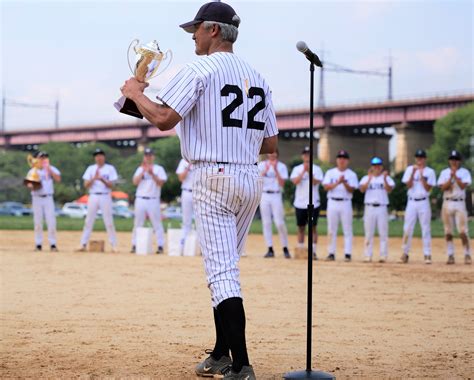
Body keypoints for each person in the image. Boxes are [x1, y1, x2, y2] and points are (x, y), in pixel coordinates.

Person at [120, 2, 278, 379]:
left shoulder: (199, 69)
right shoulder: (258, 75)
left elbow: (161, 119)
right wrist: (234, 144)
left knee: (221, 272)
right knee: (226, 267)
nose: (192, 35)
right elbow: (271, 145)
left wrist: (134, 91)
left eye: (196, 29)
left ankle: (240, 364)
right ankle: (222, 353)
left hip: (213, 176)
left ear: (213, 31)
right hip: (249, 177)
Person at [77, 148, 119, 253]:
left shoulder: (110, 168)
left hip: (105, 195)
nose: (99, 157)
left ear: (104, 157)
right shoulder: (91, 169)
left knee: (108, 221)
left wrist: (102, 179)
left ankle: (114, 245)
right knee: (88, 221)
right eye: (97, 156)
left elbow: (112, 185)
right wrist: (94, 178)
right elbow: (86, 185)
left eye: (100, 155)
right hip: (93, 195)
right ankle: (83, 244)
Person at [399, 149, 436, 264]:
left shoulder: (430, 172)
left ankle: (427, 254)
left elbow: (428, 188)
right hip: (411, 201)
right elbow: (409, 185)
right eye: (417, 157)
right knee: (408, 228)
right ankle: (405, 253)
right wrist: (413, 173)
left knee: (425, 228)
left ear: (425, 159)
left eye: (421, 157)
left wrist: (420, 175)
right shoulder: (410, 169)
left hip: (424, 201)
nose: (419, 160)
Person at [322, 150, 358, 262]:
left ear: (347, 160)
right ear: (337, 160)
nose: (342, 160)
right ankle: (331, 253)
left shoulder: (351, 174)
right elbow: (326, 187)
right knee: (331, 229)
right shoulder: (330, 172)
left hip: (346, 202)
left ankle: (348, 253)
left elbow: (352, 189)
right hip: (332, 201)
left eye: (344, 158)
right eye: (340, 158)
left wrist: (344, 182)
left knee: (347, 229)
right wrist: (338, 182)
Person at [437, 150, 472, 265]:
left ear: (459, 161)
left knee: (462, 231)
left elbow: (462, 186)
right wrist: (450, 178)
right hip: (447, 202)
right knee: (448, 231)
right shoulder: (444, 172)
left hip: (459, 203)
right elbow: (443, 188)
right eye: (452, 159)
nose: (454, 162)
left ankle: (467, 254)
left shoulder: (464, 172)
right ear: (449, 161)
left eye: (456, 159)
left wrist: (455, 176)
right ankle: (450, 254)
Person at [130, 148, 167, 254]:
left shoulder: (159, 169)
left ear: (153, 157)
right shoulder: (140, 169)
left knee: (157, 223)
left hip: (153, 199)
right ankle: (134, 244)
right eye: (146, 155)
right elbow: (135, 182)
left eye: (150, 155)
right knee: (137, 222)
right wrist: (143, 171)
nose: (148, 157)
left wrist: (152, 174)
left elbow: (161, 183)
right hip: (141, 198)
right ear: (144, 157)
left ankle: (160, 245)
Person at [290, 146, 324, 259]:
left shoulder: (317, 169)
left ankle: (313, 252)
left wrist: (309, 172)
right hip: (300, 203)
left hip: (314, 202)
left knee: (313, 227)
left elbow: (315, 182)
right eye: (305, 154)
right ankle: (300, 250)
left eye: (308, 154)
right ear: (302, 156)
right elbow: (295, 181)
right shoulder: (297, 169)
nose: (306, 156)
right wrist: (303, 171)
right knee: (300, 227)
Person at [359, 157, 395, 263]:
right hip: (369, 207)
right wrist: (369, 179)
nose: (376, 167)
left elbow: (389, 190)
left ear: (381, 167)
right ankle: (367, 255)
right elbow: (361, 189)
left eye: (378, 165)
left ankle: (383, 255)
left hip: (382, 207)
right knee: (368, 233)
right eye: (374, 165)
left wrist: (384, 179)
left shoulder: (386, 178)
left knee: (383, 233)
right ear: (371, 167)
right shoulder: (366, 178)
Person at [26, 151, 61, 252]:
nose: (43, 159)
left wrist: (48, 169)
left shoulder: (51, 168)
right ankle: (38, 243)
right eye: (41, 157)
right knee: (37, 222)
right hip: (36, 197)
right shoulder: (33, 171)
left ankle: (53, 243)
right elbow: (29, 183)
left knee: (51, 221)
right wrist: (32, 185)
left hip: (48, 197)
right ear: (37, 159)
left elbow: (58, 178)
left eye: (45, 157)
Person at [258, 151, 290, 258]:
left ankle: (285, 247)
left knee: (279, 222)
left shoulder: (281, 166)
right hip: (265, 195)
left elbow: (282, 183)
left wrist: (275, 170)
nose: (272, 155)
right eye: (270, 153)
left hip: (276, 194)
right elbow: (258, 181)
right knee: (266, 223)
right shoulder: (262, 165)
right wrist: (266, 170)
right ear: (267, 154)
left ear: (277, 154)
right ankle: (270, 248)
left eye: (274, 153)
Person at [176, 158, 194, 254]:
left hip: (199, 192)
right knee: (186, 221)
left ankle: (201, 248)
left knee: (201, 222)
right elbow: (180, 178)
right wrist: (188, 166)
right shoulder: (183, 161)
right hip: (186, 191)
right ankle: (182, 247)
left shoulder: (202, 159)